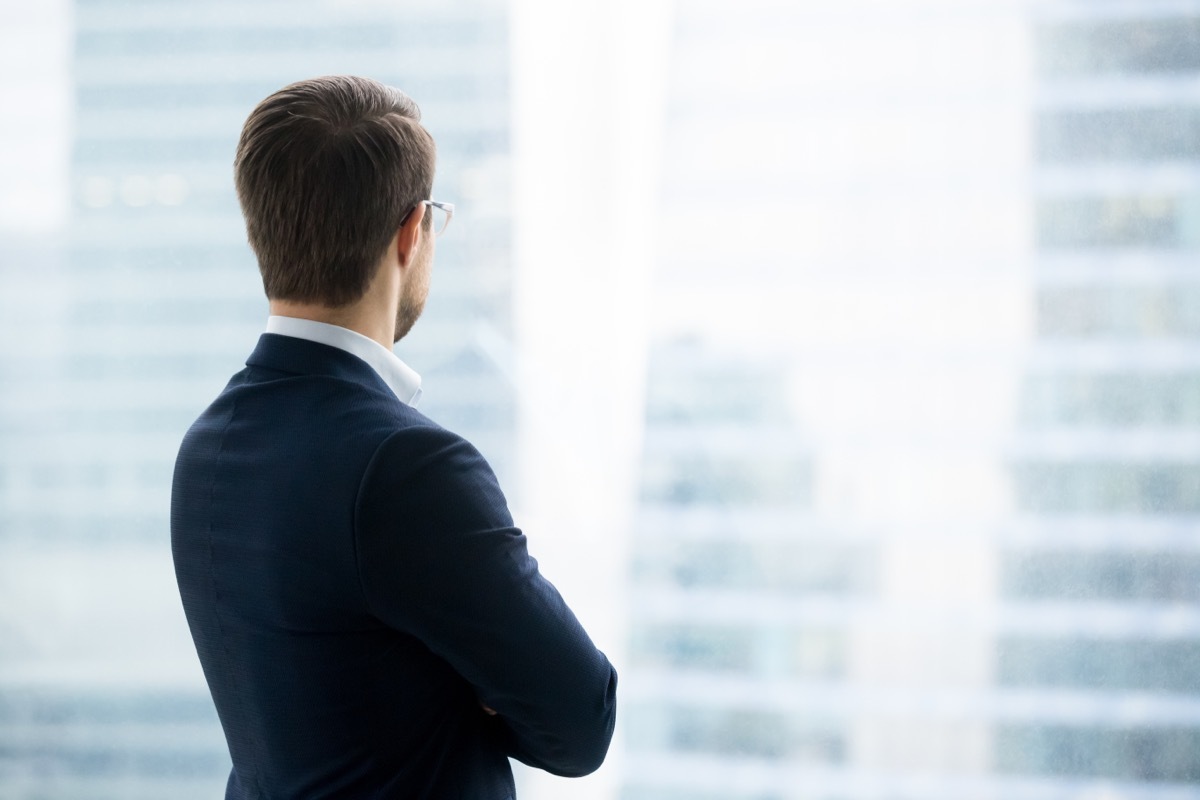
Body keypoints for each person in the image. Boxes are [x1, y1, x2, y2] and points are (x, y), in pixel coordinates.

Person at [171, 75, 617, 800]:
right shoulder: (408, 467)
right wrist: (474, 690)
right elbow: (582, 719)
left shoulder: (207, 447)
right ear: (413, 232)